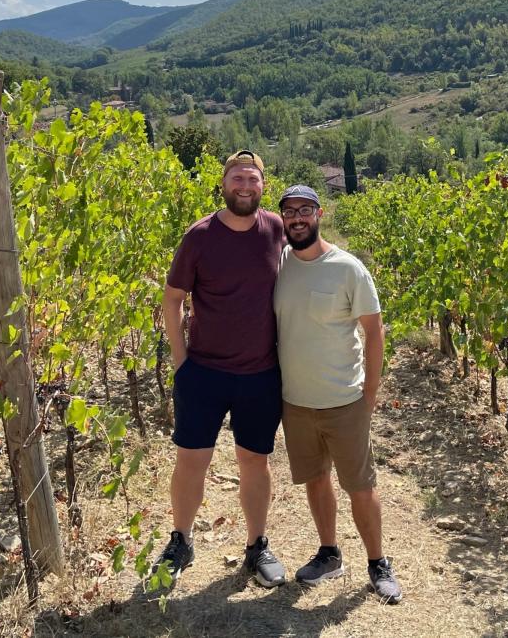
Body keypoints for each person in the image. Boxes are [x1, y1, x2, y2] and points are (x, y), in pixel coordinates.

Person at [155, 150, 287, 588]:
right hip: (204, 373)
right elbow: (172, 299)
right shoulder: (199, 237)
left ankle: (257, 545)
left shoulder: (276, 230)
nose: (244, 185)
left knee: (255, 461)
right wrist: (181, 362)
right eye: (237, 178)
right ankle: (181, 539)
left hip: (260, 373)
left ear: (263, 185)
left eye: (252, 178)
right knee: (192, 460)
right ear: (223, 183)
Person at [273, 184, 403, 604]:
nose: (297, 218)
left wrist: (369, 394)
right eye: (289, 211)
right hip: (296, 403)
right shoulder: (280, 265)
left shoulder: (348, 268)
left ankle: (378, 563)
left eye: (305, 210)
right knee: (315, 481)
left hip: (345, 401)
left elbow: (374, 332)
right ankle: (329, 553)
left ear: (319, 213)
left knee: (360, 487)